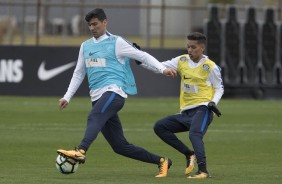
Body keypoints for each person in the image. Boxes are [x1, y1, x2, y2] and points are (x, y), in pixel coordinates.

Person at [56, 8, 177, 178]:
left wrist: (163, 69)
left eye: (95, 24)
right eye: (89, 25)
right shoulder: (85, 46)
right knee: (120, 146)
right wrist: (67, 96)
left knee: (94, 116)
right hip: (98, 97)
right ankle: (163, 161)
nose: (92, 28)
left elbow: (142, 56)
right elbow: (78, 73)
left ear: (105, 22)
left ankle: (81, 150)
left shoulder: (117, 42)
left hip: (114, 92)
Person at [152, 32, 224, 179]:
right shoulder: (181, 60)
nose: (190, 50)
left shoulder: (210, 67)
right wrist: (140, 59)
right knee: (160, 126)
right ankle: (189, 154)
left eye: (193, 47)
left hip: (203, 109)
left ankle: (203, 171)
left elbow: (219, 87)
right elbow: (159, 66)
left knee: (194, 135)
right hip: (186, 113)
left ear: (202, 48)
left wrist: (212, 102)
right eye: (188, 47)